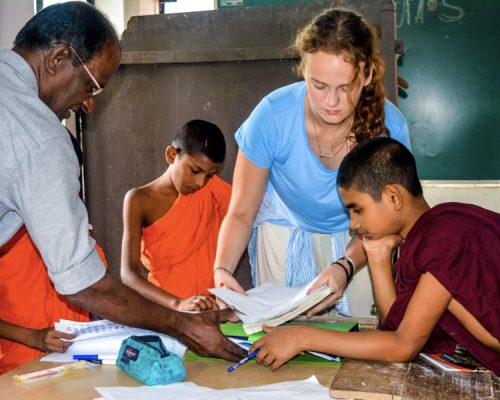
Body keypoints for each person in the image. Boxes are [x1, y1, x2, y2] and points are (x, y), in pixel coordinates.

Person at [0, 1, 245, 371]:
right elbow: (83, 283)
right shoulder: (40, 138)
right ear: (57, 59)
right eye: (90, 86)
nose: (88, 105)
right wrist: (182, 324)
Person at [213, 8, 411, 316]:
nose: (332, 102)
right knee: (281, 335)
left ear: (368, 74)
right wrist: (222, 269)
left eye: (346, 88)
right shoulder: (271, 116)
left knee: (359, 340)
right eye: (318, 86)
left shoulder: (391, 129)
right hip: (282, 230)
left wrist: (346, 266)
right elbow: (240, 213)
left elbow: (391, 221)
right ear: (303, 70)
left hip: (358, 238)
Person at [249, 137, 500, 374]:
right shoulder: (421, 238)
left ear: (393, 197)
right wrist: (378, 258)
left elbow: (402, 347)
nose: (353, 224)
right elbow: (396, 329)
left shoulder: (445, 240)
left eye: (357, 210)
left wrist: (303, 337)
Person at [121, 120, 231, 312]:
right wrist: (177, 303)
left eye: (209, 176)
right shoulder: (139, 200)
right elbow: (129, 274)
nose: (200, 182)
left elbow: (242, 223)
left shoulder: (214, 192)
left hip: (209, 309)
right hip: (164, 309)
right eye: (195, 171)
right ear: (172, 155)